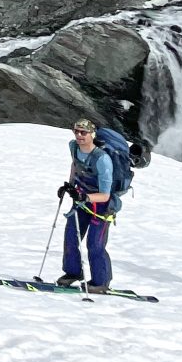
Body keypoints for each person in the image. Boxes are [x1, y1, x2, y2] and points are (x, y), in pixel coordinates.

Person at [55, 118, 119, 294]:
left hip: (101, 208)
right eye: (76, 131)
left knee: (95, 245)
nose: (79, 135)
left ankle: (101, 282)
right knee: (70, 236)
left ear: (92, 134)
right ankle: (73, 272)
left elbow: (105, 195)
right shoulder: (74, 147)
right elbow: (75, 165)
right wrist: (69, 185)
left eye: (84, 132)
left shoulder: (102, 159)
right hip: (82, 202)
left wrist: (84, 196)